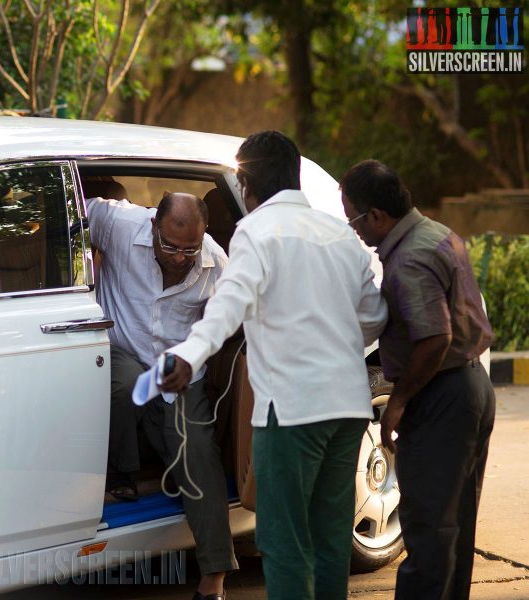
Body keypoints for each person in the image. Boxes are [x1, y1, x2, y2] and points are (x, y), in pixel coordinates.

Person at [161, 131, 388, 600]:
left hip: (290, 413)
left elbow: (229, 303)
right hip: (347, 408)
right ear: (294, 175)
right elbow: (374, 315)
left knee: (284, 541)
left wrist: (189, 353)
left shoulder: (256, 232)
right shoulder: (341, 234)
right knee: (328, 538)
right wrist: (333, 347)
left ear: (246, 185)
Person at [339, 159, 495, 600]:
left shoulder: (409, 259)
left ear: (376, 216)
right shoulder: (436, 232)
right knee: (454, 528)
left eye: (353, 218)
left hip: (442, 394)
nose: (355, 231)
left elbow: (434, 339)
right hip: (470, 387)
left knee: (427, 528)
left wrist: (400, 401)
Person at [87, 191, 237, 600]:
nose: (178, 257)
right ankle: (123, 471)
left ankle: (214, 580)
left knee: (199, 457)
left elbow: (227, 321)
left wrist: (196, 357)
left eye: (189, 249)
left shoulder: (216, 264)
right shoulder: (118, 225)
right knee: (122, 385)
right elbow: (75, 209)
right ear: (153, 225)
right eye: (170, 245)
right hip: (123, 349)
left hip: (180, 369)